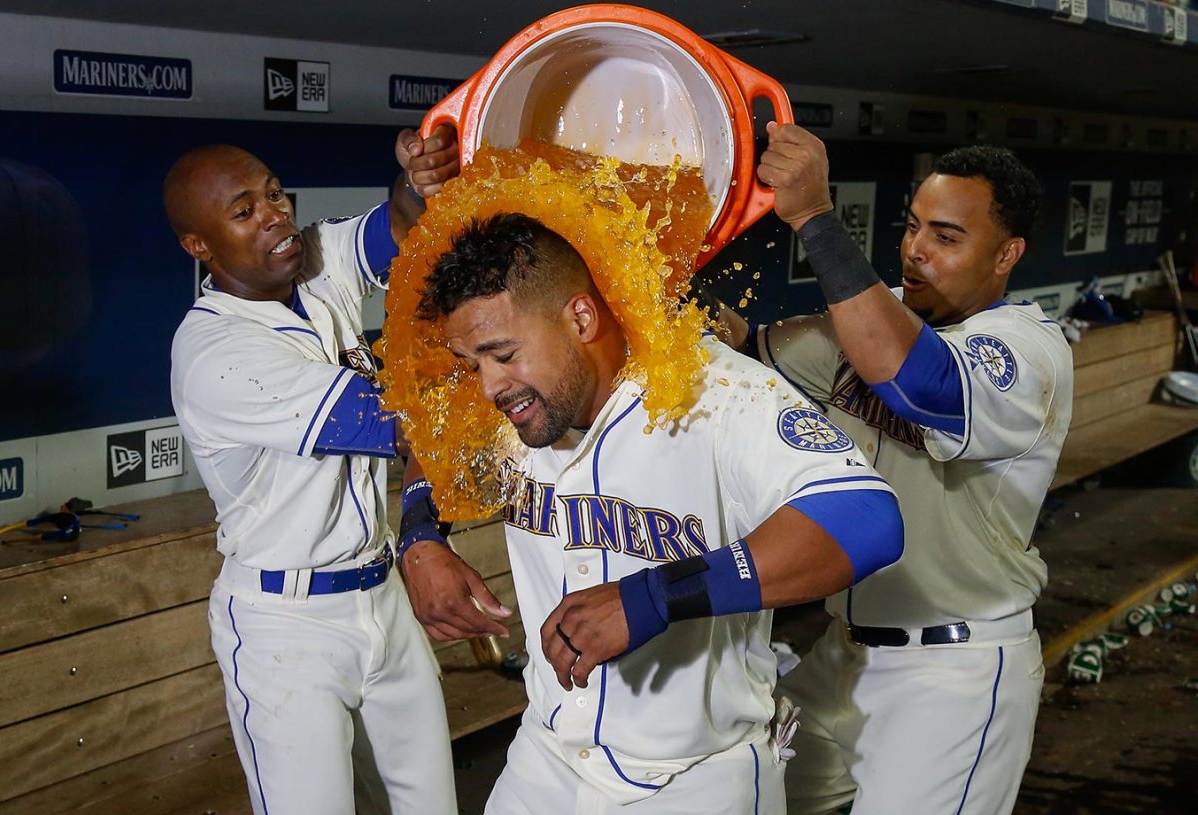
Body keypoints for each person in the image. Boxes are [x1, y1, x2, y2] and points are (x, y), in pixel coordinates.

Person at [399, 211, 905, 814]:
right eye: (472, 363)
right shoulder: (513, 400)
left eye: (502, 354)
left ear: (581, 317)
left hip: (694, 777)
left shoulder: (709, 389)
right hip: (547, 756)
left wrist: (655, 597)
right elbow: (434, 442)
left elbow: (867, 519)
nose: (487, 386)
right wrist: (421, 537)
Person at [746, 124, 1073, 815]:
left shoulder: (1028, 351)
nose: (916, 249)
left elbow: (920, 382)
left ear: (1005, 254)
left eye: (947, 237)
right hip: (843, 657)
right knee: (740, 794)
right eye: (914, 226)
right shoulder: (876, 315)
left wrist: (813, 217)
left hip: (953, 670)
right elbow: (743, 358)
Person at [166, 126, 461, 815]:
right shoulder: (215, 349)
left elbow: (404, 226)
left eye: (274, 194)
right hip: (286, 624)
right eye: (244, 211)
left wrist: (420, 181)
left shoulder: (313, 261)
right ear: (199, 245)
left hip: (382, 594)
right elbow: (401, 421)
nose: (275, 215)